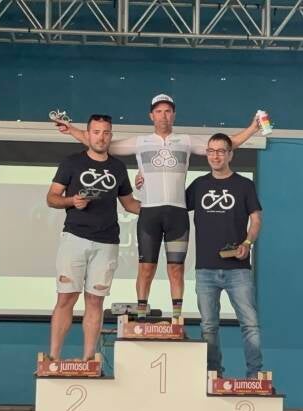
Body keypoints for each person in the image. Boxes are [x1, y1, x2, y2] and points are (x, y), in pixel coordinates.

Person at [56, 94, 260, 321]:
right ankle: (142, 317)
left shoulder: (186, 141)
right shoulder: (141, 142)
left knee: (176, 269)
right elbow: (101, 144)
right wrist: (72, 130)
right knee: (146, 268)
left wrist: (253, 128)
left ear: (174, 115)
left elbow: (226, 145)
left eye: (168, 111)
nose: (163, 116)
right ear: (151, 115)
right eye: (159, 111)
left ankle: (176, 320)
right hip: (149, 213)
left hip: (177, 214)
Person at [47, 114, 141, 361]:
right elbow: (52, 198)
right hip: (75, 238)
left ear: (111, 135)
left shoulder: (118, 167)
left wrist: (159, 210)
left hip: (107, 242)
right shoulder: (71, 162)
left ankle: (88, 360)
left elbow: (129, 203)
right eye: (97, 132)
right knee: (66, 297)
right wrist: (71, 201)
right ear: (87, 135)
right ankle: (53, 358)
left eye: (106, 132)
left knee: (95, 302)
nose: (101, 137)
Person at [185, 133, 263, 378]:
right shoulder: (198, 185)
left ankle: (254, 376)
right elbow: (172, 206)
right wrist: (144, 185)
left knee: (250, 324)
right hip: (205, 269)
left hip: (238, 269)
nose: (215, 156)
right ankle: (214, 375)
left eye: (221, 151)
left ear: (230, 154)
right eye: (211, 151)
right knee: (208, 327)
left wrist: (248, 243)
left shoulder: (244, 185)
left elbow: (256, 219)